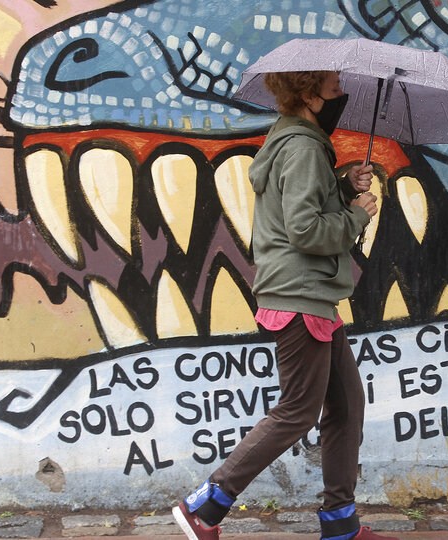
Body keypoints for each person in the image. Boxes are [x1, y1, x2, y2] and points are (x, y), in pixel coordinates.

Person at [172, 70, 396, 540]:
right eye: (335, 90)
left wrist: (340, 183)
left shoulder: (292, 140)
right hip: (300, 294)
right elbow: (305, 231)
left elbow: (297, 202)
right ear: (312, 96)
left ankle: (340, 524)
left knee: (346, 403)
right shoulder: (305, 147)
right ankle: (206, 505)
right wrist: (357, 213)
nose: (342, 96)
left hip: (311, 294)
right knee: (297, 410)